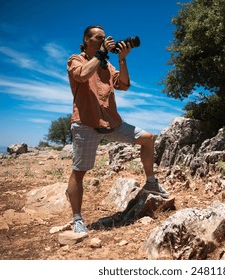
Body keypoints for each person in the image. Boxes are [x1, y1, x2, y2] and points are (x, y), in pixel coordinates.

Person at [66, 25, 169, 235]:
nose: (104, 40)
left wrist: (122, 59)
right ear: (87, 40)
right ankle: (77, 218)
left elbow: (124, 84)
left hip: (111, 122)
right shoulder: (76, 59)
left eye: (105, 38)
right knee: (80, 171)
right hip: (86, 123)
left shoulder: (107, 65)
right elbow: (83, 76)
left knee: (147, 138)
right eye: (98, 38)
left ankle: (151, 183)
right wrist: (102, 53)